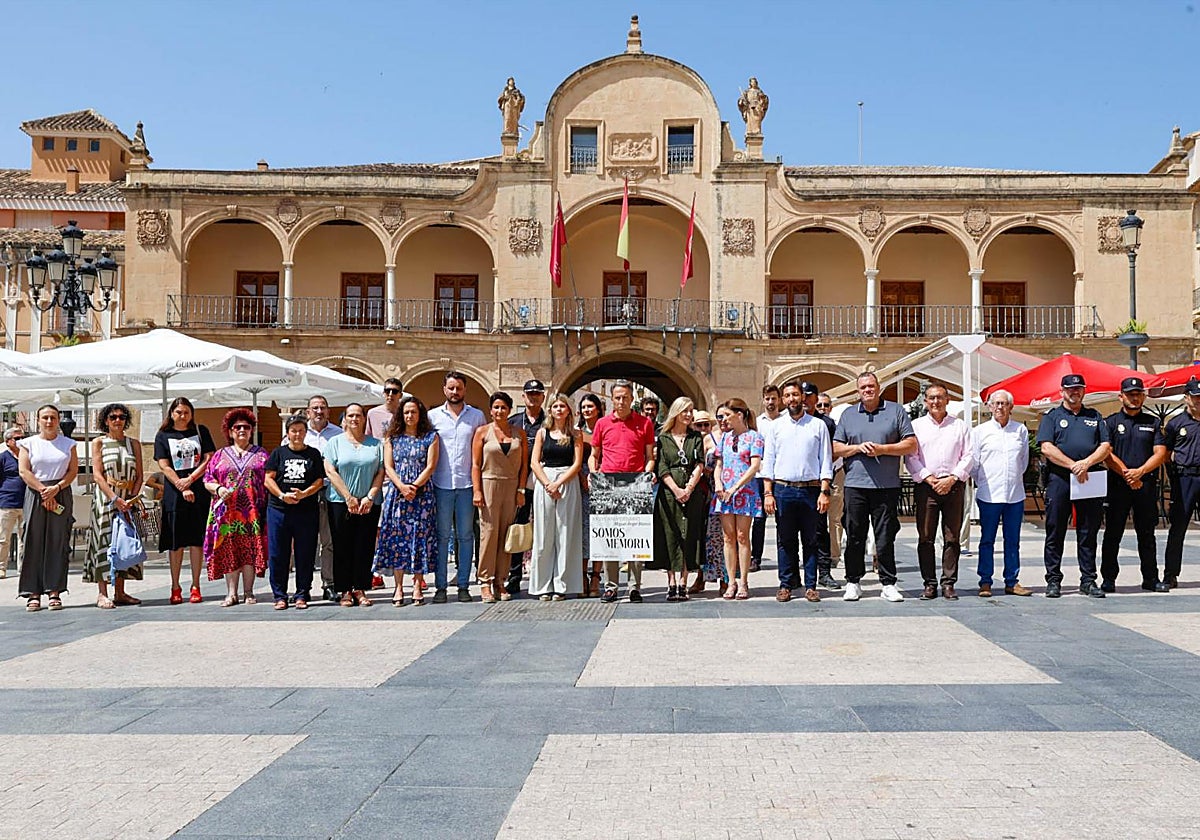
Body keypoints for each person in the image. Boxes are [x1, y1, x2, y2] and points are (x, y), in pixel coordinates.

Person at [833, 371, 917, 603]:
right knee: (854, 536)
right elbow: (835, 448)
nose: (868, 390)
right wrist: (858, 448)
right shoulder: (849, 414)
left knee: (885, 537)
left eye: (871, 386)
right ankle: (853, 582)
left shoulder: (896, 411)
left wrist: (882, 449)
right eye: (863, 387)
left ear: (878, 388)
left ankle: (888, 583)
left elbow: (910, 444)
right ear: (858, 391)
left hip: (886, 486)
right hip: (855, 485)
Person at [1036, 373, 1111, 599]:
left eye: (1078, 388)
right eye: (1070, 389)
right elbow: (1046, 448)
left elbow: (1105, 446)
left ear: (1084, 391)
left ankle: (1088, 580)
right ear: (1062, 392)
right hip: (1060, 479)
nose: (1074, 392)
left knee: (1088, 532)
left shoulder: (1094, 416)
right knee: (1055, 531)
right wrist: (1073, 465)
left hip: (1089, 478)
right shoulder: (1052, 417)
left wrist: (1086, 463)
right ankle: (1053, 580)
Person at [763, 380, 832, 603]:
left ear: (802, 397)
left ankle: (811, 585)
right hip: (783, 490)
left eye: (795, 394)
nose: (792, 399)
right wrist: (768, 493)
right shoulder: (776, 427)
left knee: (811, 540)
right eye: (787, 396)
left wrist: (824, 491)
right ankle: (786, 584)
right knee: (785, 541)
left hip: (811, 490)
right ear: (783, 400)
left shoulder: (817, 425)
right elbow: (769, 461)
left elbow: (825, 461)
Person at [904, 384, 973, 601]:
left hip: (953, 486)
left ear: (947, 399)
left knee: (952, 537)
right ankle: (929, 583)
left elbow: (969, 455)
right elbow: (910, 457)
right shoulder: (916, 426)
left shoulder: (960, 426)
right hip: (927, 487)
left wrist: (953, 478)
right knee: (926, 537)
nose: (936, 402)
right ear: (925, 401)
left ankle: (949, 583)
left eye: (940, 398)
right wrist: (928, 477)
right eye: (931, 398)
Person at [590, 380, 656, 603]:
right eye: (617, 397)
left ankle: (634, 586)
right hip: (608, 484)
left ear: (632, 399)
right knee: (610, 538)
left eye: (625, 397)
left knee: (635, 538)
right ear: (612, 399)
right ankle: (610, 586)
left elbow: (650, 457)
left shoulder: (644, 423)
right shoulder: (602, 423)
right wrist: (593, 473)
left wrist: (646, 475)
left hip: (635, 483)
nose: (621, 401)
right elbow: (594, 455)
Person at [1101, 377, 1169, 593]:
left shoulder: (1153, 422)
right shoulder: (1110, 422)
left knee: (1147, 534)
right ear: (1121, 396)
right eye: (1130, 394)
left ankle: (1150, 578)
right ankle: (1108, 579)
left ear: (1144, 396)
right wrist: (1128, 474)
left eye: (1138, 393)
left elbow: (1161, 453)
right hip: (1118, 485)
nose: (1135, 397)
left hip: (1146, 486)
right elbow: (1106, 454)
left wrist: (1140, 472)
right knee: (1113, 534)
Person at [374, 396, 439, 606]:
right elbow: (389, 466)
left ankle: (418, 585)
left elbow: (430, 466)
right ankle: (399, 587)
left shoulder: (430, 437)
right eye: (406, 412)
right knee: (397, 540)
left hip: (422, 495)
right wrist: (402, 487)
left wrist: (414, 487)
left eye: (414, 412)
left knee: (420, 538)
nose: (410, 416)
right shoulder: (392, 437)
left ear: (420, 415)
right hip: (397, 494)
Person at [202, 408, 269, 607]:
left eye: (246, 427)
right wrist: (219, 488)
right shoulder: (219, 455)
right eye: (237, 427)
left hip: (253, 513)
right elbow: (207, 479)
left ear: (251, 431)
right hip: (226, 513)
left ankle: (248, 592)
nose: (241, 430)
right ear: (230, 431)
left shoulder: (262, 454)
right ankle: (231, 593)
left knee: (249, 550)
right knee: (229, 549)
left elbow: (270, 480)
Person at [430, 371, 486, 603]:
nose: (455, 392)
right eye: (451, 388)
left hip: (466, 484)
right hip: (440, 484)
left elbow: (482, 450)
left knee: (465, 536)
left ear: (465, 390)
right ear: (444, 389)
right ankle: (440, 587)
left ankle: (463, 585)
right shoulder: (432, 417)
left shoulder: (477, 416)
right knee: (442, 537)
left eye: (459, 388)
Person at [16, 405, 78, 612]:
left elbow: (72, 471)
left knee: (58, 540)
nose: (49, 421)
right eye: (45, 418)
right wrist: (44, 491)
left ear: (59, 420)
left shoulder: (68, 444)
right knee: (32, 539)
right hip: (36, 491)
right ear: (39, 420)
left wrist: (56, 488)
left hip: (61, 490)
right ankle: (32, 592)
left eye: (53, 417)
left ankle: (55, 590)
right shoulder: (27, 443)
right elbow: (24, 471)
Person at [971, 390, 1031, 597]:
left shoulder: (1020, 430)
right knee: (987, 539)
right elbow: (974, 464)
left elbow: (1023, 461)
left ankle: (1012, 581)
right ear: (989, 407)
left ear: (1011, 407)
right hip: (989, 494)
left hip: (1015, 494)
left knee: (1012, 540)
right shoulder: (980, 431)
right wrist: (984, 483)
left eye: (1004, 404)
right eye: (995, 403)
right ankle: (985, 581)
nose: (999, 407)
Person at [155, 397, 216, 604]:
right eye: (179, 412)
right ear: (172, 413)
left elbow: (209, 459)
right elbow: (164, 464)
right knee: (176, 542)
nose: (182, 416)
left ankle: (196, 585)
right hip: (174, 493)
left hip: (198, 489)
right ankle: (175, 586)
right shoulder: (163, 435)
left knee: (196, 541)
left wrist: (190, 479)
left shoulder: (201, 431)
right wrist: (180, 484)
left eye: (186, 412)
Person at [324, 403, 385, 607]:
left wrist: (370, 496)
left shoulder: (375, 444)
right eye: (350, 415)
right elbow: (330, 471)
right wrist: (348, 497)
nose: (354, 419)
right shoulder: (335, 442)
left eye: (358, 415)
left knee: (364, 546)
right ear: (345, 419)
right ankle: (345, 591)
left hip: (369, 502)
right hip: (340, 502)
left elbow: (380, 471)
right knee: (342, 546)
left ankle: (360, 588)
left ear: (364, 419)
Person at [263, 414, 327, 610]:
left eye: (301, 430)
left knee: (305, 553)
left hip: (306, 511)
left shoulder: (313, 454)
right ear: (287, 433)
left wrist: (304, 494)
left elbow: (319, 480)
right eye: (293, 431)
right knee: (278, 553)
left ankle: (302, 593)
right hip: (279, 510)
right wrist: (282, 495)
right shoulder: (278, 453)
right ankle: (280, 595)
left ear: (305, 433)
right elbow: (268, 479)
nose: (297, 434)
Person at [86, 403, 145, 609]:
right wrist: (114, 499)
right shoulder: (99, 443)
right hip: (107, 498)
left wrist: (132, 498)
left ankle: (120, 591)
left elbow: (139, 475)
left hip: (128, 499)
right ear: (105, 420)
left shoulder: (133, 443)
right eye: (113, 417)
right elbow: (98, 475)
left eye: (121, 417)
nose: (117, 420)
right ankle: (102, 593)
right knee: (104, 542)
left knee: (124, 542)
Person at [472, 391, 528, 603]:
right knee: (489, 532)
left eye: (503, 407)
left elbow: (524, 465)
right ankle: (485, 581)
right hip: (489, 484)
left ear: (509, 410)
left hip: (511, 485)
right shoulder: (482, 432)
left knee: (506, 534)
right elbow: (476, 464)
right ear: (490, 409)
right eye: (496, 407)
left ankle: (500, 581)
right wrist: (477, 490)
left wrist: (521, 489)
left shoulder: (518, 434)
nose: (499, 411)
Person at [530, 393, 584, 599]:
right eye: (555, 406)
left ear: (568, 410)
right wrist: (547, 483)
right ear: (550, 410)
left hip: (567, 482)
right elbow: (535, 462)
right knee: (544, 535)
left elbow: (577, 463)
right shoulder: (542, 433)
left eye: (563, 406)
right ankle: (543, 585)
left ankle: (562, 585)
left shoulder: (576, 434)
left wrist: (559, 483)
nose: (559, 409)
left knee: (565, 533)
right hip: (545, 481)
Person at [654, 397, 707, 601]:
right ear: (676, 412)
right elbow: (662, 466)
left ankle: (684, 580)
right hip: (669, 492)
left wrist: (689, 488)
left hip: (691, 492)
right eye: (684, 410)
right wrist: (676, 489)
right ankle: (671, 581)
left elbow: (699, 464)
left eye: (691, 410)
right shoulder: (664, 437)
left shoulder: (695, 437)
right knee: (670, 534)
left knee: (689, 534)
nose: (688, 414)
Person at [713, 397, 764, 601]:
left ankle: (743, 580)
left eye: (727, 415)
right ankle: (730, 581)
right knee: (728, 537)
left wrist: (735, 487)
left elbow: (754, 466)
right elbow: (719, 463)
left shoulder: (755, 437)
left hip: (744, 492)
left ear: (739, 415)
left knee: (742, 536)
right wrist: (718, 484)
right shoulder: (725, 438)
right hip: (724, 492)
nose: (723, 419)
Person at [506, 379, 546, 596]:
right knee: (518, 527)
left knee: (543, 527)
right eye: (530, 394)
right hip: (519, 483)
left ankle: (542, 574)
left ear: (543, 397)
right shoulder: (514, 422)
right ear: (523, 397)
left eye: (537, 394)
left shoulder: (550, 421)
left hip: (543, 481)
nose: (533, 397)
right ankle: (514, 576)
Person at [303, 395, 343, 602]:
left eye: (323, 407)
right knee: (306, 542)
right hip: (305, 495)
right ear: (308, 411)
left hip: (330, 493)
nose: (319, 411)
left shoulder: (338, 434)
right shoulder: (298, 433)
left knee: (328, 542)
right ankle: (304, 585)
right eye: (315, 408)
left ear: (328, 411)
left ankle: (329, 583)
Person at [1163, 376, 1200, 590]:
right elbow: (1165, 454)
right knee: (1178, 528)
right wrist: (1173, 477)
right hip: (1184, 478)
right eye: (1195, 397)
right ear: (1186, 398)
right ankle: (1170, 574)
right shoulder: (1176, 424)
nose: (1198, 401)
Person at [692, 407, 729, 596]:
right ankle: (702, 577)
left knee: (723, 538)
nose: (703, 428)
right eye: (699, 425)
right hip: (704, 494)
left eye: (706, 424)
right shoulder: (701, 441)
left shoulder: (723, 438)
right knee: (702, 538)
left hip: (723, 494)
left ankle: (726, 579)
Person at [814, 392, 844, 582]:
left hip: (837, 472)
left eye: (826, 405)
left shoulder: (835, 426)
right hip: (816, 478)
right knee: (817, 521)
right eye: (819, 406)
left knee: (835, 518)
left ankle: (834, 555)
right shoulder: (814, 424)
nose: (823, 408)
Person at [751, 384, 781, 573]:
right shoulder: (758, 423)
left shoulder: (786, 421)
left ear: (779, 400)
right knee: (759, 518)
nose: (770, 402)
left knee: (783, 519)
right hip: (760, 476)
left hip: (781, 475)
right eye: (767, 398)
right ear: (763, 400)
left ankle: (785, 557)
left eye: (773, 398)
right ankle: (756, 557)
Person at [577, 393, 605, 596]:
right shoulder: (577, 432)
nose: (587, 410)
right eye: (584, 407)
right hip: (582, 484)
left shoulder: (606, 428)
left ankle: (596, 575)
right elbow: (574, 459)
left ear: (598, 409)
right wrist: (581, 478)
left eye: (590, 406)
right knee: (583, 531)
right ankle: (581, 575)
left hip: (604, 482)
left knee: (601, 530)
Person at [0, 427, 26, 579]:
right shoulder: (2, 458)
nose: (21, 441)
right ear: (8, 441)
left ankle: (23, 569)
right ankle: (1, 567)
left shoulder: (26, 457)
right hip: (7, 502)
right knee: (3, 539)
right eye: (18, 438)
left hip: (26, 503)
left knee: (25, 539)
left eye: (23, 437)